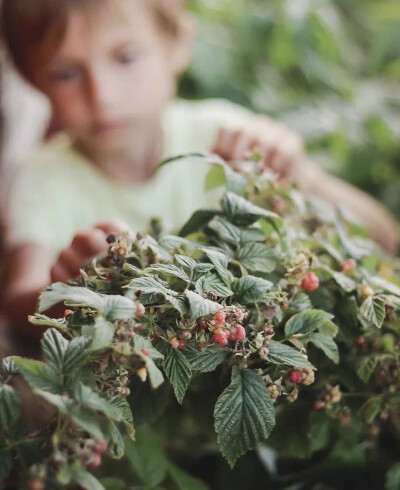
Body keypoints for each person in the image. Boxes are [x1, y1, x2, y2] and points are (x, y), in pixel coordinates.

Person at [0, 0, 398, 338]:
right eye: (66, 73)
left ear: (179, 44)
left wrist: (304, 180)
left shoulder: (223, 137)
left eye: (125, 57)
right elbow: (19, 302)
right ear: (31, 79)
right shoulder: (43, 180)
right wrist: (67, 290)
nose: (101, 94)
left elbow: (383, 240)